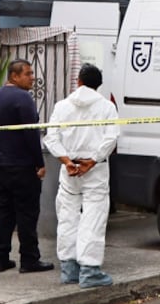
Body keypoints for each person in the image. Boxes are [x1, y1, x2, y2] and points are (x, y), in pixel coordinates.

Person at [43, 64, 119, 288]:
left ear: (78, 81)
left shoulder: (62, 106)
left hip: (70, 170)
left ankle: (69, 269)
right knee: (93, 217)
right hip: (95, 170)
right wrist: (93, 160)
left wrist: (67, 161)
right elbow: (111, 139)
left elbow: (51, 137)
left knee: (67, 216)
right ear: (99, 85)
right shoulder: (107, 107)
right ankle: (89, 270)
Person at [0, 59, 53, 273]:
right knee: (27, 213)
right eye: (28, 74)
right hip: (22, 166)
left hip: (0, 165)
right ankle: (29, 259)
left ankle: (1, 257)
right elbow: (31, 133)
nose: (32, 78)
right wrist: (39, 163)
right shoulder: (23, 98)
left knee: (4, 213)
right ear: (14, 76)